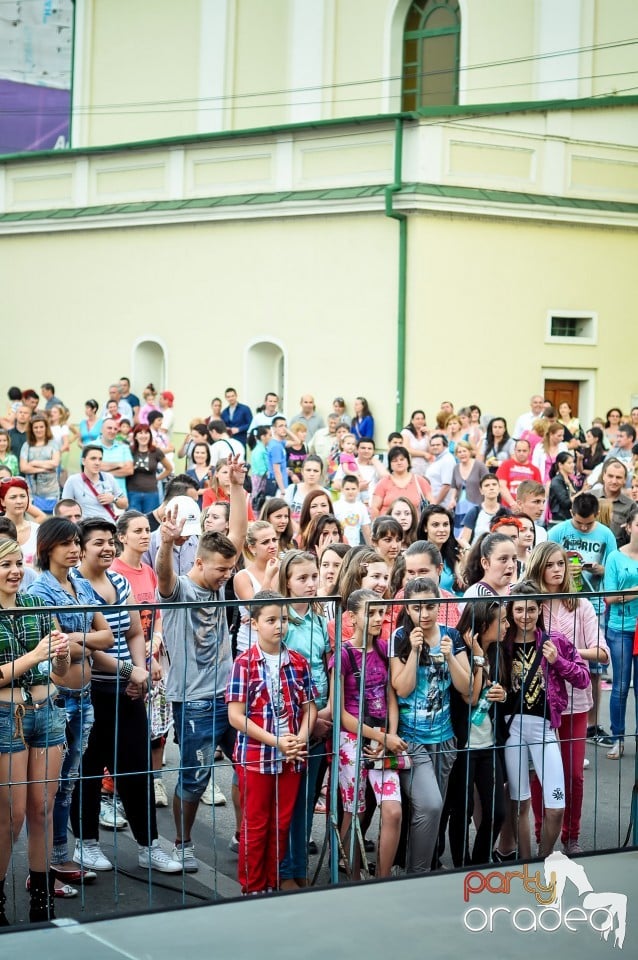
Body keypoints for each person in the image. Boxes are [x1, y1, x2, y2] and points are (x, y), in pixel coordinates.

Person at [156, 455, 247, 872]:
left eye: (231, 569)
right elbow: (162, 578)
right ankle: (182, 843)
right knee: (195, 778)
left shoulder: (223, 577)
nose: (227, 575)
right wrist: (166, 542)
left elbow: (239, 537)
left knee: (248, 766)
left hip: (230, 696)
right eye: (221, 570)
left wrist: (237, 487)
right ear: (199, 563)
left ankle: (244, 836)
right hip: (193, 700)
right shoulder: (180, 591)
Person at [73, 518, 180, 873]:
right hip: (91, 691)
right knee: (88, 770)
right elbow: (86, 645)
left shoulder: (118, 581)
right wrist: (126, 671)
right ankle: (85, 844)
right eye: (97, 542)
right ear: (81, 548)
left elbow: (135, 630)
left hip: (130, 689)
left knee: (136, 769)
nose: (106, 548)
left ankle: (149, 845)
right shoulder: (74, 586)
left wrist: (141, 672)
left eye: (108, 542)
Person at [27, 518, 113, 879]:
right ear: (48, 548)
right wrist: (81, 640)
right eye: (66, 543)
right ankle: (49, 861)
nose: (75, 548)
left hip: (85, 697)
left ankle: (59, 854)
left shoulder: (80, 584)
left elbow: (106, 636)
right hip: (58, 698)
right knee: (52, 788)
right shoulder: (41, 590)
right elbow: (59, 647)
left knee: (69, 783)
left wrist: (78, 640)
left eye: (76, 541)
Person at [227, 590, 316, 894]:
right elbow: (236, 716)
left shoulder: (298, 662)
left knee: (281, 824)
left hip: (291, 755)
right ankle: (252, 887)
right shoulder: (244, 664)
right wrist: (276, 740)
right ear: (254, 623)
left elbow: (309, 706)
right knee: (256, 825)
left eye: (284, 619)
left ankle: (272, 883)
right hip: (256, 755)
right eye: (271, 620)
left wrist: (300, 738)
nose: (280, 626)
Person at [0, 536, 70, 923]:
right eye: (4, 565)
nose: (14, 571)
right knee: (12, 816)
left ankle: (43, 904)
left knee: (42, 810)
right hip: (6, 717)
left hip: (47, 712)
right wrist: (35, 655)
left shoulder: (36, 605)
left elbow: (60, 672)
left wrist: (58, 658)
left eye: (16, 564)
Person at [525, 542, 609, 854]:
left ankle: (570, 836)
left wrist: (567, 653)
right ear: (538, 568)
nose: (557, 570)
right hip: (539, 704)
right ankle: (539, 834)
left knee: (573, 774)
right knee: (540, 774)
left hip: (576, 700)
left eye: (561, 564)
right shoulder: (531, 604)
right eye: (550, 564)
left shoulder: (582, 606)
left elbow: (602, 653)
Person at [501, 582, 589, 859]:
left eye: (530, 609)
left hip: (544, 728)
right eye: (518, 610)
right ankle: (527, 863)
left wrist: (558, 661)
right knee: (519, 802)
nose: (524, 615)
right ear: (510, 610)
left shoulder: (555, 641)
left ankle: (544, 857)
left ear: (539, 609)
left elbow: (583, 678)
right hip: (511, 728)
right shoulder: (502, 643)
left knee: (556, 807)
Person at [389, 577, 471, 873]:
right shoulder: (400, 636)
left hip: (445, 739)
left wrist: (450, 657)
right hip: (412, 740)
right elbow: (402, 688)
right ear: (407, 609)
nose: (424, 614)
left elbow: (468, 689)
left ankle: (416, 866)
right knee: (431, 805)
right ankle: (418, 874)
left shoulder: (451, 636)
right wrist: (413, 651)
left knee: (432, 812)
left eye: (430, 606)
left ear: (439, 605)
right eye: (417, 607)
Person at [330, 589, 404, 879]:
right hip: (352, 740)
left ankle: (383, 878)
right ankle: (351, 874)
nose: (378, 618)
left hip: (382, 739)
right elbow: (340, 713)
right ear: (352, 617)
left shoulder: (384, 649)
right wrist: (380, 736)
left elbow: (390, 698)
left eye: (381, 612)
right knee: (354, 810)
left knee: (393, 811)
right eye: (370, 612)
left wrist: (389, 738)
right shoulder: (345, 654)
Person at [112, 510, 172, 807]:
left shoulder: (148, 571)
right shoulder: (114, 572)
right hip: (128, 663)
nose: (145, 535)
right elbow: (121, 627)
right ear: (121, 537)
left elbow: (157, 616)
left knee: (157, 728)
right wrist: (145, 659)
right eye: (137, 531)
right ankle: (114, 793)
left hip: (153, 662)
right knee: (127, 732)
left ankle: (154, 781)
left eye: (147, 530)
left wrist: (155, 648)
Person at [446, 599, 508, 866]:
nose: (507, 625)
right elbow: (469, 695)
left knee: (497, 812)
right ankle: (461, 864)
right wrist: (478, 656)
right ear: (483, 625)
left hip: (489, 744)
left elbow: (505, 692)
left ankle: (479, 862)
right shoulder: (462, 651)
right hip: (463, 745)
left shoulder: (499, 650)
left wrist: (502, 694)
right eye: (502, 621)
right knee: (462, 810)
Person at [603, 505, 638, 760]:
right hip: (621, 629)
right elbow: (609, 597)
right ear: (628, 527)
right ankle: (617, 738)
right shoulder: (615, 557)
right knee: (621, 687)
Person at [233, 521, 281, 654]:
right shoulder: (242, 577)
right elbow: (257, 607)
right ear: (252, 548)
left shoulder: (284, 570)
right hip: (249, 647)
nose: (272, 545)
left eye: (274, 540)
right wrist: (268, 578)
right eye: (265, 542)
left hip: (279, 644)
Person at [62, 445, 128, 519]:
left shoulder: (109, 478)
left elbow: (125, 504)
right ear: (83, 461)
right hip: (86, 527)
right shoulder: (73, 480)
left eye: (100, 459)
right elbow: (65, 508)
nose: (97, 463)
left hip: (108, 526)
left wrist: (114, 499)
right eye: (93, 459)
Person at [370, 446, 430, 518]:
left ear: (408, 461)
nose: (399, 463)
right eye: (395, 460)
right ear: (390, 464)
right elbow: (374, 508)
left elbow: (432, 504)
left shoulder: (419, 481)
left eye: (402, 459)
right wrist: (376, 526)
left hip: (413, 526)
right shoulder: (383, 482)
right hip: (387, 526)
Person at [417, 505, 464, 596]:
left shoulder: (454, 555)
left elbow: (464, 586)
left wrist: (467, 549)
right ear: (425, 528)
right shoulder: (416, 556)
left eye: (446, 524)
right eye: (435, 525)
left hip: (451, 606)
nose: (442, 530)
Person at [19, 414, 60, 514]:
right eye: (35, 427)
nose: (38, 430)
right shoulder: (27, 445)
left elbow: (55, 463)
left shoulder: (53, 443)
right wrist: (45, 468)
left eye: (41, 427)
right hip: (31, 492)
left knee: (50, 523)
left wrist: (34, 463)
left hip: (51, 491)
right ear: (31, 429)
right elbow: (23, 467)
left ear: (46, 428)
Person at [127, 423, 173, 513]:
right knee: (133, 521)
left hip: (151, 493)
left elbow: (169, 468)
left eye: (146, 433)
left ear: (150, 435)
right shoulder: (130, 451)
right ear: (135, 436)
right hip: (132, 493)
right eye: (140, 433)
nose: (143, 436)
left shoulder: (156, 451)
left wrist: (157, 478)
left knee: (149, 522)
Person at [462, 532, 517, 601]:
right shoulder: (474, 594)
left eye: (514, 559)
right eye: (503, 559)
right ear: (485, 563)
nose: (511, 565)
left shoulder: (519, 592)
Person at [449, 440, 488, 537]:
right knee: (459, 533)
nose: (462, 454)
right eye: (459, 452)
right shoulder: (455, 468)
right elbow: (453, 486)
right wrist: (452, 499)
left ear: (470, 452)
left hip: (476, 504)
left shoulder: (479, 466)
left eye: (464, 451)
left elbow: (488, 482)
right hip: (460, 507)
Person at [589, 458, 634, 542]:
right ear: (603, 476)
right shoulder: (588, 497)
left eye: (618, 477)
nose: (614, 481)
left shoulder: (631, 505)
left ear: (625, 480)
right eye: (610, 476)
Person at [0, 477, 40, 567]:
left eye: (23, 496)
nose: (19, 501)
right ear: (2, 501)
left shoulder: (38, 530)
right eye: (13, 497)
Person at [495, 439, 542, 509]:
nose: (521, 453)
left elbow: (537, 492)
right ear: (514, 451)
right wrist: (512, 504)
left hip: (527, 510)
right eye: (519, 450)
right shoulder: (505, 465)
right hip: (508, 508)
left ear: (530, 451)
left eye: (524, 451)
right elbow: (501, 486)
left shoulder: (535, 470)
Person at [283, 455, 328, 527]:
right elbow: (284, 514)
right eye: (308, 470)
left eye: (315, 471)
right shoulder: (292, 489)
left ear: (321, 473)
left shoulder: (326, 494)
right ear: (302, 471)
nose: (312, 474)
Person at [459, 473, 502, 546]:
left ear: (499, 488)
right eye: (487, 485)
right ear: (481, 490)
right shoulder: (474, 512)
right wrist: (469, 551)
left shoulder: (506, 513)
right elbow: (464, 539)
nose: (491, 488)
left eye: (494, 484)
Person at [96, 418, 134, 498]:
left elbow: (129, 470)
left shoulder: (124, 447)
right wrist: (118, 465)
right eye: (109, 428)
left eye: (115, 429)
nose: (113, 431)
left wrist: (103, 471)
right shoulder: (91, 446)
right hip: (95, 495)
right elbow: (89, 468)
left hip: (119, 497)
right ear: (101, 429)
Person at [333, 475, 372, 547]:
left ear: (358, 489)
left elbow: (366, 530)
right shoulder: (335, 506)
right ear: (342, 489)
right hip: (338, 546)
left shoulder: (361, 507)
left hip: (355, 546)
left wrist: (371, 548)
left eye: (353, 489)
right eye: (347, 489)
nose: (350, 492)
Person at [532, 422, 568, 487]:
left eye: (563, 435)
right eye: (559, 436)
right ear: (551, 434)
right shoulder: (539, 447)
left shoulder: (563, 447)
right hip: (543, 482)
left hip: (559, 482)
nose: (562, 438)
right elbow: (535, 466)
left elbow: (567, 465)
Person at [425, 434, 456, 508]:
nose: (435, 447)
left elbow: (446, 485)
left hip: (442, 507)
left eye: (438, 445)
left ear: (445, 446)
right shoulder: (438, 459)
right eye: (432, 445)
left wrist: (435, 504)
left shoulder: (447, 460)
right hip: (435, 504)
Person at [548, 451, 576, 524]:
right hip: (559, 520)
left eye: (573, 462)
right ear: (560, 465)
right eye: (569, 463)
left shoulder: (570, 480)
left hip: (569, 518)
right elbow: (565, 502)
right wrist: (582, 491)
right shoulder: (557, 481)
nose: (573, 465)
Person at [401, 410, 430, 477]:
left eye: (422, 419)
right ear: (412, 420)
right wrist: (424, 454)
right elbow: (406, 449)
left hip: (425, 466)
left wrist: (429, 434)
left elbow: (431, 450)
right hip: (412, 465)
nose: (420, 421)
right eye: (417, 419)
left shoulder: (426, 433)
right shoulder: (406, 432)